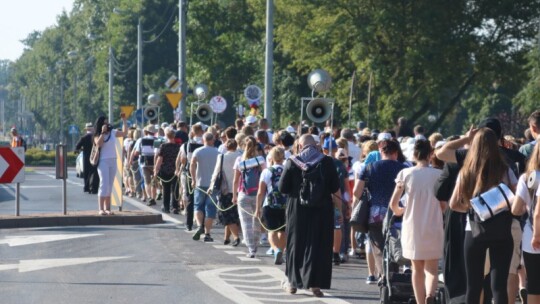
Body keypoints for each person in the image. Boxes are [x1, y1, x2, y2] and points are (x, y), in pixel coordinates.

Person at [449, 128, 517, 304]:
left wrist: (475, 210)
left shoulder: (467, 171)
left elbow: (453, 204)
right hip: (501, 229)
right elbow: (516, 202)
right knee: (499, 286)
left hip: (474, 229)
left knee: (473, 286)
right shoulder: (505, 170)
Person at [278, 134, 341, 298]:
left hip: (297, 209)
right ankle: (315, 285)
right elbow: (335, 187)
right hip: (322, 209)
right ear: (316, 146)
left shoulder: (292, 161)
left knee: (295, 244)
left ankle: (292, 282)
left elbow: (282, 187)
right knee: (318, 245)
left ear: (300, 146)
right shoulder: (326, 161)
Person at [389, 139, 444, 304]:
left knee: (417, 269)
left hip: (412, 224)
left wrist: (400, 211)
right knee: (432, 269)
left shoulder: (405, 174)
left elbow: (393, 204)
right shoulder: (439, 175)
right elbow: (443, 205)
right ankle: (430, 295)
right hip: (433, 224)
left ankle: (421, 301)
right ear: (431, 154)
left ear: (414, 154)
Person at [353, 138, 407, 277]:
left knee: (378, 249)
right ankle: (394, 278)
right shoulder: (404, 169)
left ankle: (384, 276)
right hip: (397, 214)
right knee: (395, 246)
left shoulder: (369, 167)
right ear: (396, 152)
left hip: (375, 214)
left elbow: (356, 192)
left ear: (380, 151)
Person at [512, 141, 540, 304]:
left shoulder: (526, 177)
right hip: (534, 236)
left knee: (534, 285)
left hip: (532, 239)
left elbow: (516, 209)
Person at [232, 136, 265, 258]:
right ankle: (255, 244)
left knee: (245, 223)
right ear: (256, 146)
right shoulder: (260, 159)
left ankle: (251, 249)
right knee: (257, 221)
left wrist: (234, 196)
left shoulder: (240, 160)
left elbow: (236, 180)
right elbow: (265, 178)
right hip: (258, 195)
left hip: (243, 194)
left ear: (244, 146)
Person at [255, 147, 287, 265]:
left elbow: (260, 192)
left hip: (269, 205)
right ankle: (281, 252)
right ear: (283, 157)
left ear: (271, 157)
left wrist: (258, 208)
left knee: (271, 231)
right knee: (283, 232)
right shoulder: (287, 170)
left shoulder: (267, 171)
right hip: (285, 206)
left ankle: (276, 249)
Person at [209, 139, 241, 246]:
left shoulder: (222, 157)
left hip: (226, 190)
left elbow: (216, 172)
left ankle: (236, 237)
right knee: (233, 214)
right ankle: (226, 237)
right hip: (239, 189)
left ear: (226, 147)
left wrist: (211, 186)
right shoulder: (241, 156)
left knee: (226, 214)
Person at [93, 114, 128, 215]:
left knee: (109, 185)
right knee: (104, 184)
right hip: (103, 160)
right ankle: (101, 208)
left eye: (107, 123)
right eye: (104, 123)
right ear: (100, 124)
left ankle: (107, 208)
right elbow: (99, 144)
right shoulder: (98, 134)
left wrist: (124, 121)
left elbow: (124, 133)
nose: (107, 124)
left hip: (113, 160)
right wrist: (103, 133)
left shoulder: (113, 132)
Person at [190, 132, 219, 242]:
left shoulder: (198, 151)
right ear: (213, 140)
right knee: (210, 209)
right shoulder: (218, 152)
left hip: (200, 183)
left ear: (203, 140)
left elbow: (192, 165)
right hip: (213, 184)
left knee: (198, 206)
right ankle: (207, 233)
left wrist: (193, 179)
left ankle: (199, 226)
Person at [154, 128, 181, 214]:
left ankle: (166, 207)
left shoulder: (163, 146)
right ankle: (175, 207)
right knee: (175, 189)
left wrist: (156, 169)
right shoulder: (179, 147)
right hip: (175, 170)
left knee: (166, 189)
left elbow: (160, 159)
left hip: (165, 170)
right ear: (174, 136)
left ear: (166, 136)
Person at [131, 125, 157, 205]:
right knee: (154, 181)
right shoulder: (158, 140)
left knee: (147, 181)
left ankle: (149, 197)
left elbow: (137, 152)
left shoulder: (141, 140)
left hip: (144, 163)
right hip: (155, 163)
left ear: (146, 132)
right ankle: (153, 197)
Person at [75, 122, 99, 194]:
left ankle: (87, 187)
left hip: (86, 157)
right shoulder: (96, 137)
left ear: (86, 130)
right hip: (95, 156)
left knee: (86, 173)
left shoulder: (83, 138)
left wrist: (79, 149)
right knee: (94, 172)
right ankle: (94, 187)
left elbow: (77, 147)